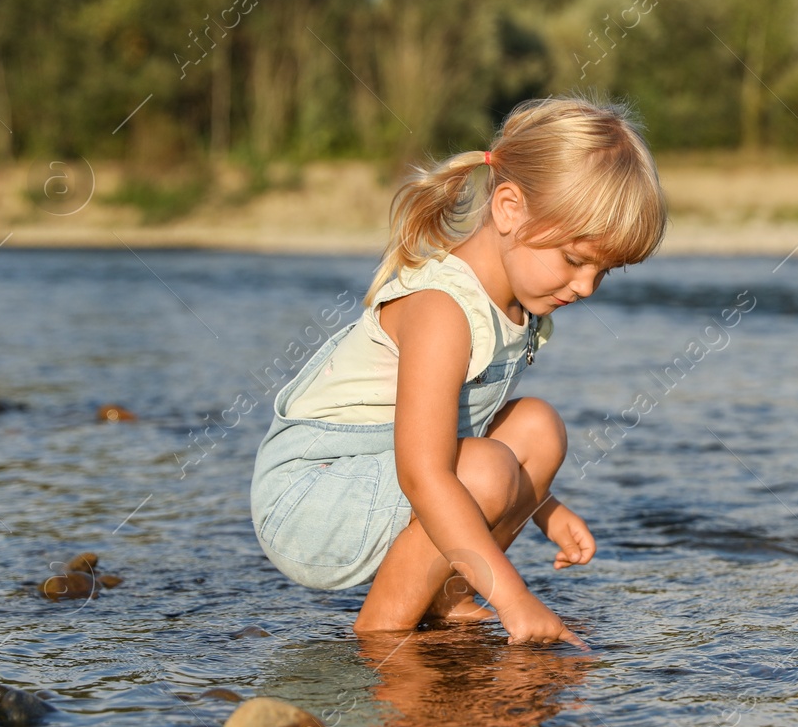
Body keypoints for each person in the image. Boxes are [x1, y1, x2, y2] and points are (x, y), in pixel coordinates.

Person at [251, 97, 667, 647]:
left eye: (603, 271)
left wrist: (544, 508)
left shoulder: (524, 307)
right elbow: (425, 473)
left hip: (378, 473)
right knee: (489, 469)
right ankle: (381, 634)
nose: (587, 287)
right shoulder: (443, 311)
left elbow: (466, 431)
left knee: (539, 426)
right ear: (510, 208)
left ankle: (445, 599)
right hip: (312, 496)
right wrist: (515, 599)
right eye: (574, 260)